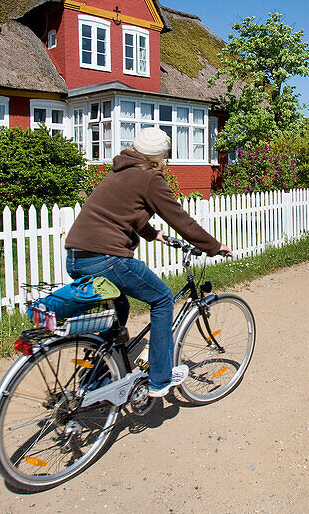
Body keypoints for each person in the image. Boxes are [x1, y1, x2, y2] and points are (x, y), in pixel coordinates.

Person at [64, 127, 232, 398]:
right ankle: (160, 379)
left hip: (76, 256)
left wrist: (152, 234)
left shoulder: (119, 171)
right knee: (163, 298)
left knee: (117, 308)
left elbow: (125, 212)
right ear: (160, 156)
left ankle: (98, 375)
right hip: (107, 258)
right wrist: (213, 246)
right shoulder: (150, 177)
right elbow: (180, 219)